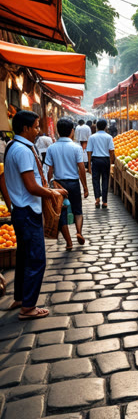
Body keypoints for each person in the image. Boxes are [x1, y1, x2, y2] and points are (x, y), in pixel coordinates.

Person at [0, 110, 67, 320]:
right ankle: (28, 308)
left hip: (21, 210)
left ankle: (21, 298)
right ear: (25, 128)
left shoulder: (13, 146)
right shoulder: (22, 150)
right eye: (36, 127)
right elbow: (31, 185)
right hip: (28, 211)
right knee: (37, 259)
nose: (38, 131)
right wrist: (53, 192)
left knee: (23, 258)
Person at [46, 117, 89, 251]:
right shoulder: (76, 148)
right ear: (72, 131)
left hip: (59, 184)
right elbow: (81, 168)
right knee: (77, 210)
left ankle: (69, 242)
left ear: (58, 132)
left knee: (61, 211)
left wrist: (50, 185)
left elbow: (49, 169)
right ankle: (79, 232)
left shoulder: (52, 148)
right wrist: (85, 187)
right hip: (73, 183)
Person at [87, 119, 114, 209]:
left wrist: (89, 166)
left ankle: (97, 199)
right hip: (105, 160)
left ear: (97, 127)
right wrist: (111, 163)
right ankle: (105, 201)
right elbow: (111, 151)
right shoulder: (109, 137)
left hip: (95, 160)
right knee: (105, 180)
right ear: (106, 127)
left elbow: (89, 151)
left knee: (95, 180)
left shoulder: (92, 137)